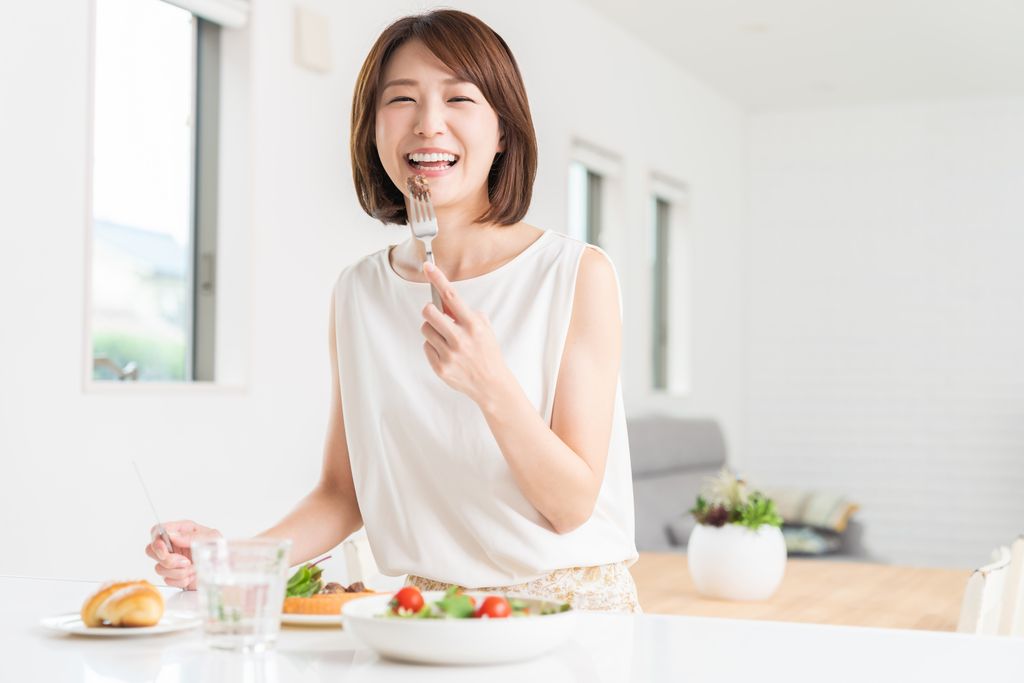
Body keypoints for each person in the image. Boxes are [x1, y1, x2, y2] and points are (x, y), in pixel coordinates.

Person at [145, 9, 639, 612]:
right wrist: (230, 558)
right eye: (401, 100)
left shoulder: (574, 275)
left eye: (459, 99)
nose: (429, 125)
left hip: (571, 615)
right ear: (373, 129)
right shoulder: (358, 292)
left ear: (504, 130)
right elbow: (342, 495)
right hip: (422, 612)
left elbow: (570, 508)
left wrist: (490, 385)